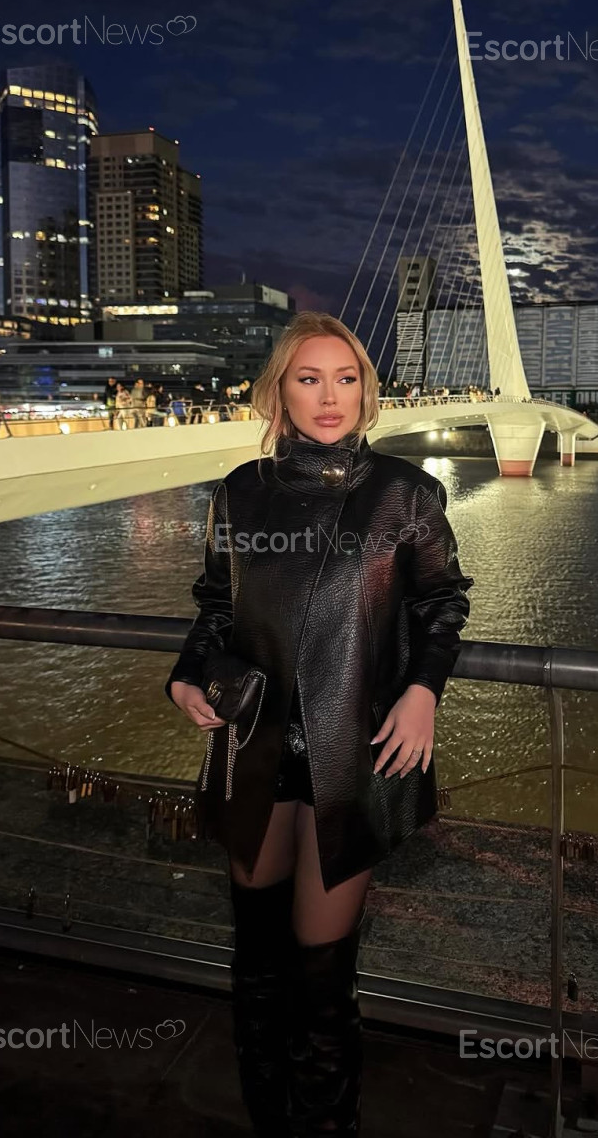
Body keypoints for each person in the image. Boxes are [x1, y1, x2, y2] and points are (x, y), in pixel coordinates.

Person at [165, 311, 473, 1135]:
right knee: (256, 968)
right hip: (254, 743)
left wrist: (423, 691)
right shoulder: (240, 491)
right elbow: (215, 604)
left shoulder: (404, 492)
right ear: (280, 392)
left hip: (354, 750)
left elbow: (442, 602)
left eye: (346, 378)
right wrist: (186, 674)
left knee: (321, 978)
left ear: (367, 391)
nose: (329, 396)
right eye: (309, 378)